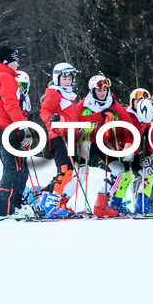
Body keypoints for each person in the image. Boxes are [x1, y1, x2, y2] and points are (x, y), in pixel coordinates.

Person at [38, 64, 111, 218]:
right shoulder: (54, 93)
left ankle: (47, 200)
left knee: (70, 172)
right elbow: (45, 111)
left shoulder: (69, 96)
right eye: (64, 78)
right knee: (66, 170)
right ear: (57, 78)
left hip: (71, 137)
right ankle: (53, 205)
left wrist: (100, 115)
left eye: (70, 78)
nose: (67, 81)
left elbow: (79, 119)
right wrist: (53, 121)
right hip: (59, 136)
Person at [0, 45, 34, 220]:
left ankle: (13, 205)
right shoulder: (5, 77)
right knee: (14, 168)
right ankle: (4, 209)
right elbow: (11, 105)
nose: (18, 64)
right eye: (15, 60)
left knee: (19, 168)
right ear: (7, 61)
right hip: (6, 129)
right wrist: (23, 128)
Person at [77, 75, 132, 217]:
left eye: (105, 89)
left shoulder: (112, 103)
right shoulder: (84, 104)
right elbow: (75, 120)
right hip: (86, 142)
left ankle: (101, 205)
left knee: (121, 172)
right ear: (92, 90)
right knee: (81, 174)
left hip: (103, 143)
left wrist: (128, 145)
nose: (102, 93)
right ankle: (60, 203)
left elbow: (127, 123)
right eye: (99, 90)